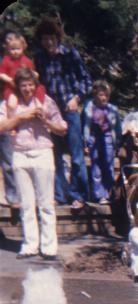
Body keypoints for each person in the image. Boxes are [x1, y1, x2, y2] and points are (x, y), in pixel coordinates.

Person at [0, 68, 66, 260]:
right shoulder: (11, 104)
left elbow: (62, 128)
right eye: (23, 85)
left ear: (35, 85)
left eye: (30, 85)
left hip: (43, 152)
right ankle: (30, 245)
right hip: (20, 153)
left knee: (45, 203)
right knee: (27, 204)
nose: (27, 89)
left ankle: (49, 247)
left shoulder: (46, 101)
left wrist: (45, 121)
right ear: (18, 87)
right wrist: (21, 117)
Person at [32, 18, 91, 209]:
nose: (48, 42)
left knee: (76, 155)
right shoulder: (39, 57)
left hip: (69, 110)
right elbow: (37, 85)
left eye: (51, 38)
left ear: (57, 38)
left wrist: (76, 99)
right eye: (44, 39)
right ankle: (60, 194)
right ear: (41, 40)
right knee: (54, 154)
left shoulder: (70, 54)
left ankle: (77, 195)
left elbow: (86, 80)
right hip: (50, 113)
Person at [0, 31, 42, 206]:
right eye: (12, 49)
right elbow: (1, 74)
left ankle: (33, 195)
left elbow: (34, 74)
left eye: (17, 49)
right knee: (11, 103)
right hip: (12, 89)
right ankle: (13, 127)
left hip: (23, 92)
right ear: (6, 48)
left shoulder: (27, 61)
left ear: (23, 48)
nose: (15, 52)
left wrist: (32, 78)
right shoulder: (6, 61)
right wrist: (12, 81)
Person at [80, 80, 120, 204]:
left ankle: (108, 193)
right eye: (101, 95)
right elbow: (85, 126)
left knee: (108, 166)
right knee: (96, 167)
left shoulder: (112, 109)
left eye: (106, 95)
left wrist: (117, 142)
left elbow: (118, 127)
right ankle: (99, 195)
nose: (104, 98)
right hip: (94, 138)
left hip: (108, 138)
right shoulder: (89, 107)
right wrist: (85, 143)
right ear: (96, 94)